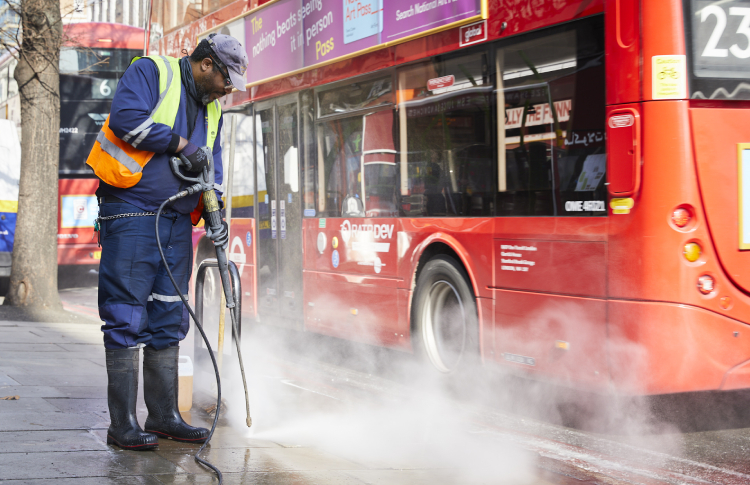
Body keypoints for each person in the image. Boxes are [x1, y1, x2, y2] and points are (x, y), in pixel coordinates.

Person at [85, 34, 249, 450]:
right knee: (126, 315)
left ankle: (163, 416)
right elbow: (125, 120)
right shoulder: (151, 72)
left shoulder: (214, 111)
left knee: (169, 316)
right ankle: (122, 425)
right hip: (132, 212)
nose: (229, 89)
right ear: (207, 64)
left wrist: (216, 214)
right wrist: (180, 145)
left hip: (176, 221)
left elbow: (211, 167)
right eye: (228, 79)